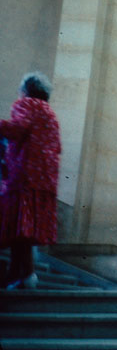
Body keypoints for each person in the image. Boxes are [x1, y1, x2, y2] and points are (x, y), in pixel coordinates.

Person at [0, 72, 61, 290]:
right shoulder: (50, 114)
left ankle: (23, 273)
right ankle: (21, 274)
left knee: (19, 228)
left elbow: (18, 129)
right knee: (24, 230)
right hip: (44, 180)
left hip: (24, 176)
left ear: (26, 90)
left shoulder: (26, 104)